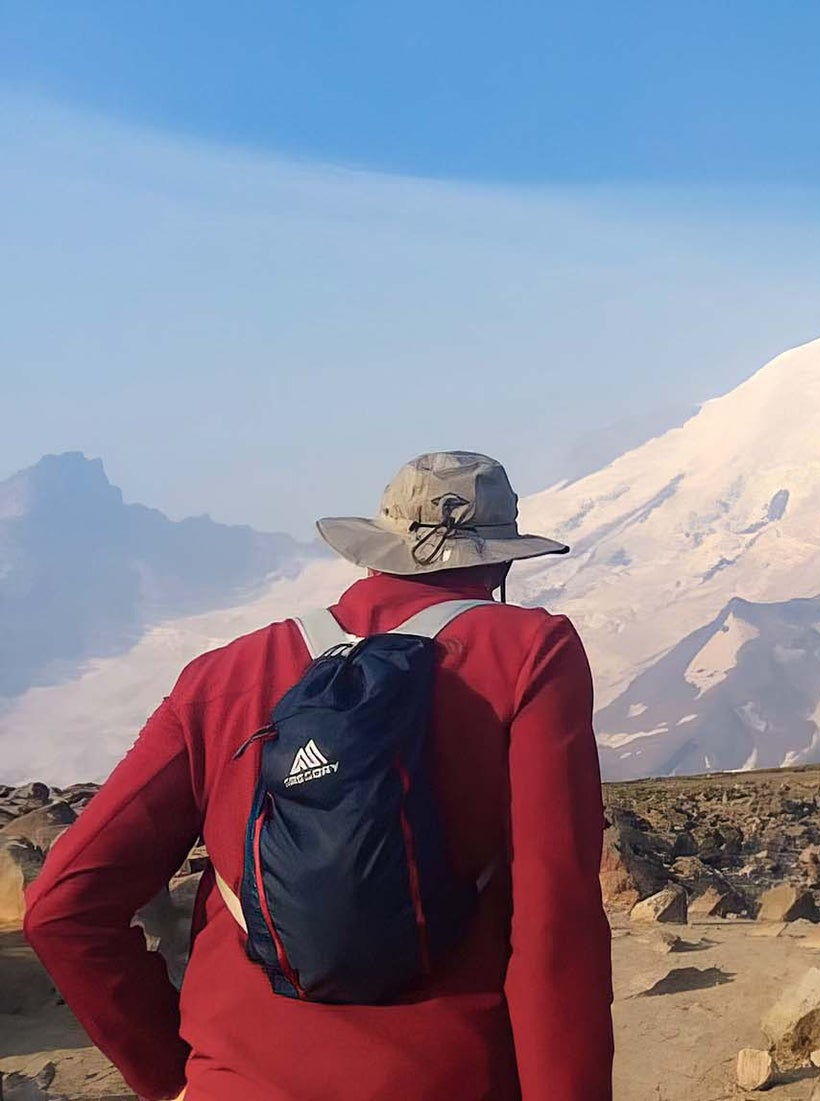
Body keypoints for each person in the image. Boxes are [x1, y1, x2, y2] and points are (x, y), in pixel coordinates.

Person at [23, 452, 613, 1101]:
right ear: (501, 562)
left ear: (374, 553)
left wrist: (176, 1075)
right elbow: (556, 925)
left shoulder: (222, 676)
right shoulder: (530, 655)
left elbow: (60, 907)